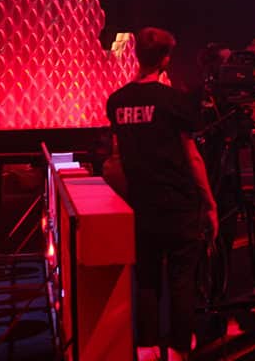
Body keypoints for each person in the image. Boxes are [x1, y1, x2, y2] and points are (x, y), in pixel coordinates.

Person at [106, 28, 219, 361]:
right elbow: (192, 157)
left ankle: (146, 349)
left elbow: (116, 158)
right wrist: (210, 204)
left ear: (137, 55)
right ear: (166, 59)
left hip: (141, 206)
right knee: (182, 280)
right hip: (180, 206)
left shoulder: (117, 101)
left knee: (147, 280)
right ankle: (180, 349)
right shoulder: (173, 102)